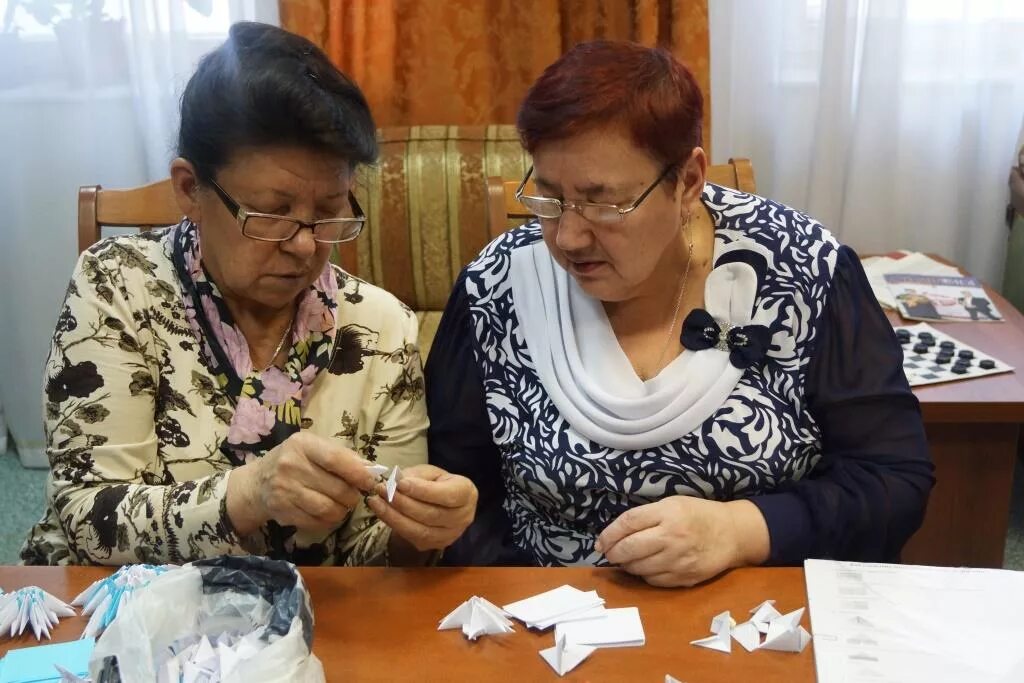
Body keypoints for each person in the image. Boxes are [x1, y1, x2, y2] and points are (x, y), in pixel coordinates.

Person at [426, 41, 933, 587]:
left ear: (688, 181)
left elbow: (893, 479)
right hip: (546, 621)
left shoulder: (803, 269)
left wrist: (741, 530)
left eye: (604, 203)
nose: (569, 237)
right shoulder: (499, 285)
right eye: (549, 198)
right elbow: (459, 488)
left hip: (756, 613)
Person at [22, 22, 477, 566]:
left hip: (301, 628)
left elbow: (368, 556)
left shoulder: (380, 329)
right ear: (191, 189)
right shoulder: (119, 287)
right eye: (273, 213)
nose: (305, 247)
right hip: (120, 616)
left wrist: (419, 530)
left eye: (330, 212)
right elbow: (87, 518)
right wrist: (248, 493)